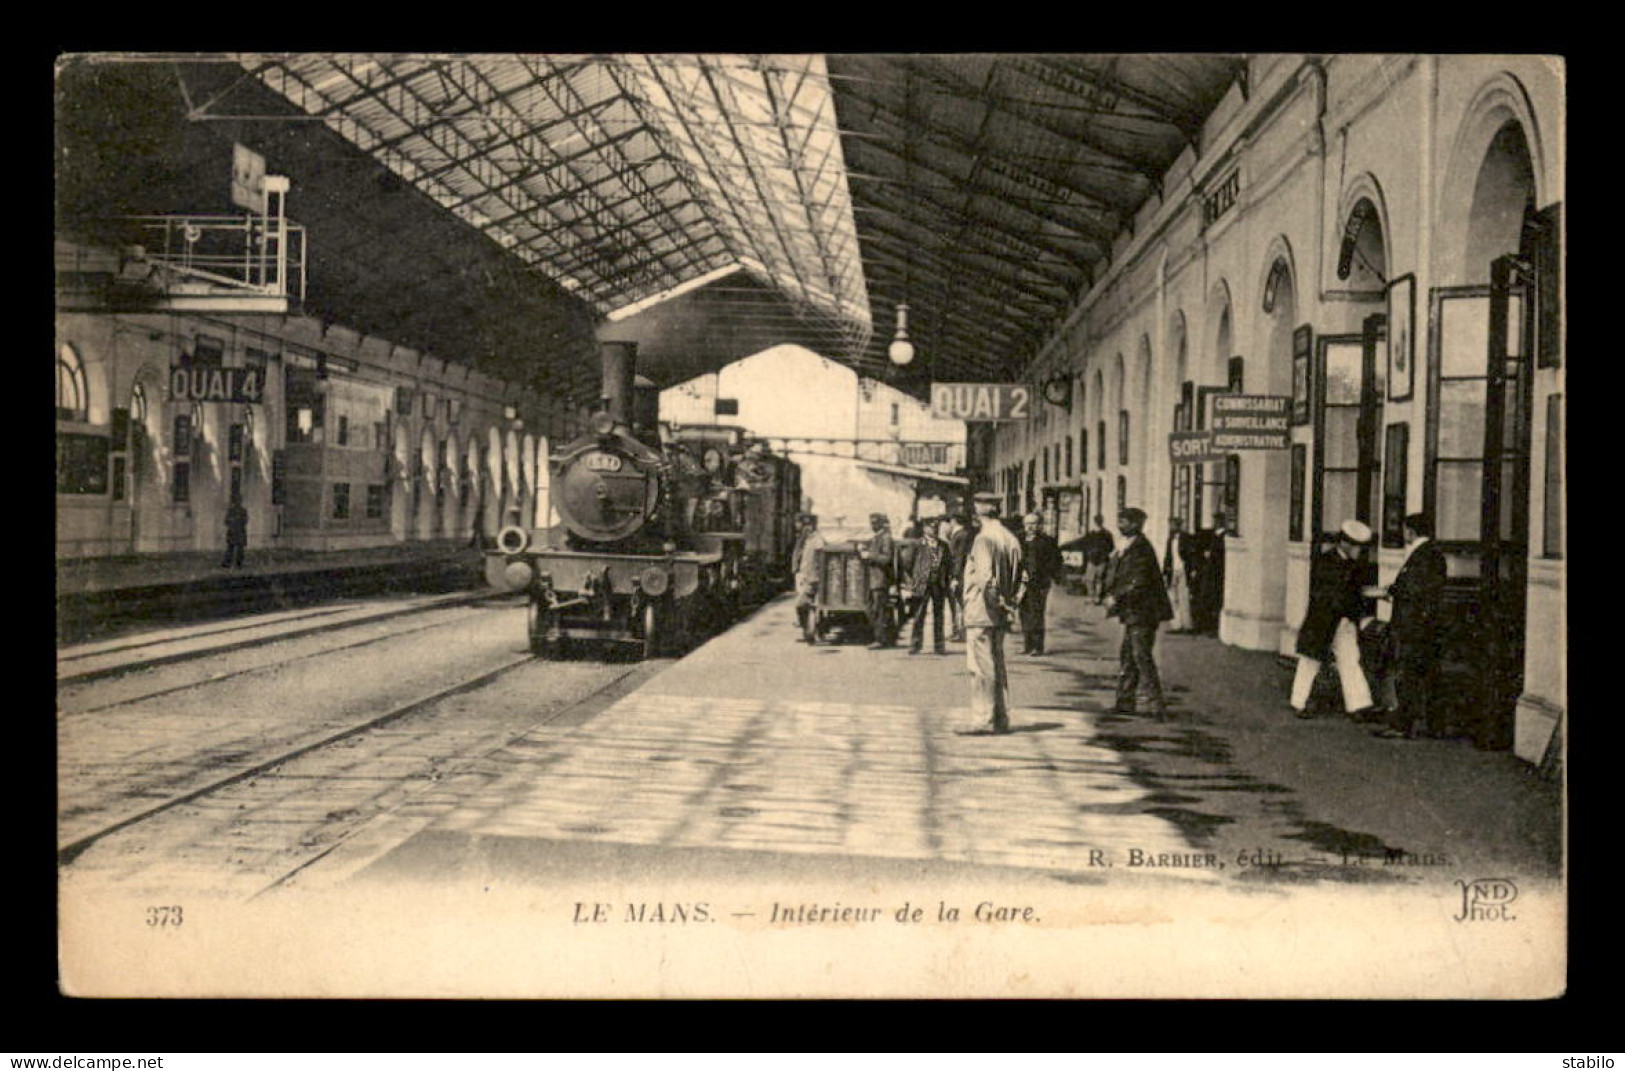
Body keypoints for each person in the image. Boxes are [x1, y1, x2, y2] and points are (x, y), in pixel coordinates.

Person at [1290, 520, 1381, 720]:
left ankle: (1358, 705)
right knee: (1310, 662)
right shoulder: (1325, 561)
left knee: (1349, 659)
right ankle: (1300, 702)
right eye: (1357, 546)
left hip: (1342, 621)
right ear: (1345, 544)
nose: (1359, 551)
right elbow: (1331, 594)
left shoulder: (1351, 564)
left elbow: (1352, 593)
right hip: (1323, 619)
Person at [1370, 513, 1449, 739]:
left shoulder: (1422, 555)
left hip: (1415, 627)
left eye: (1406, 529)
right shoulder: (1432, 554)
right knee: (1430, 676)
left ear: (1411, 531)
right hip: (1428, 626)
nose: (1404, 533)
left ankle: (1404, 725)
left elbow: (1414, 589)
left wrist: (1392, 590)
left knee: (1409, 676)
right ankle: (1435, 727)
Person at [962, 497, 1023, 733]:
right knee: (997, 665)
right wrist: (1009, 606)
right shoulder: (1010, 538)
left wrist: (994, 603)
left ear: (979, 512)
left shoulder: (983, 539)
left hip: (982, 610)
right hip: (1000, 612)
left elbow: (986, 580)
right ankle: (1000, 718)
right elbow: (1020, 577)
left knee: (980, 667)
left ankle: (982, 719)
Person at [1105, 507, 1174, 718]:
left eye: (1124, 521)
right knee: (1129, 655)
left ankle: (1156, 705)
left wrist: (1117, 597)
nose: (1119, 525)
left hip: (1144, 611)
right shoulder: (1129, 545)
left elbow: (1139, 582)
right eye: (1119, 520)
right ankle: (1125, 702)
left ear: (1136, 524)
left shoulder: (1141, 548)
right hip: (1135, 612)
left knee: (1140, 656)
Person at [1017, 512, 1063, 655]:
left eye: (1033, 524)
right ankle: (1027, 644)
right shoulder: (1018, 540)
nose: (1030, 527)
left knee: (1036, 613)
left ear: (1040, 525)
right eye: (1027, 524)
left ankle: (1037, 646)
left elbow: (1056, 560)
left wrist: (1049, 575)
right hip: (1021, 583)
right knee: (1023, 612)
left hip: (1039, 582)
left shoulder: (1047, 541)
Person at [905, 516, 951, 655]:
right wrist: (915, 579)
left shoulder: (944, 545)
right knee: (919, 615)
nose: (934, 529)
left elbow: (948, 564)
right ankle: (915, 644)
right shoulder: (917, 544)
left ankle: (939, 646)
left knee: (939, 615)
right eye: (931, 527)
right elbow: (908, 563)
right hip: (922, 584)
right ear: (925, 528)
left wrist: (946, 579)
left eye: (936, 527)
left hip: (938, 584)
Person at [861, 512, 897, 649]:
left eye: (875, 522)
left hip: (881, 580)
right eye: (871, 522)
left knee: (878, 610)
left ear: (881, 523)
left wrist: (868, 555)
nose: (872, 525)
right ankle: (883, 637)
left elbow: (886, 559)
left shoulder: (886, 538)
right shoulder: (877, 538)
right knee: (872, 609)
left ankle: (881, 639)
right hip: (875, 580)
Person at [792, 513, 826, 642]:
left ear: (812, 526)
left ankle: (808, 630)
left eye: (808, 525)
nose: (806, 528)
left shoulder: (817, 540)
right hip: (804, 576)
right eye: (805, 525)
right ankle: (808, 632)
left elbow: (821, 555)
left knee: (800, 605)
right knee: (805, 606)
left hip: (812, 578)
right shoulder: (806, 539)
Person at [947, 509, 977, 642]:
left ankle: (961, 632)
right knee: (957, 604)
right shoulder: (960, 534)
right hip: (958, 573)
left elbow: (959, 558)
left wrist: (955, 576)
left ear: (954, 521)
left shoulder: (961, 535)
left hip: (959, 575)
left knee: (959, 604)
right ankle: (958, 631)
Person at [1162, 517, 1196, 633]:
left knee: (1184, 597)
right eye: (1170, 525)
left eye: (1173, 525)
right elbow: (1167, 556)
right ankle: (1177, 625)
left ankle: (1187, 625)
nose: (1171, 527)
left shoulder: (1186, 538)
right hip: (1172, 571)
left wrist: (1192, 570)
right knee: (1173, 598)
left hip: (1183, 570)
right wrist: (1165, 572)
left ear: (1178, 526)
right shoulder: (1170, 539)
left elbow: (1192, 555)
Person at [1081, 515, 1115, 605]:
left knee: (1097, 579)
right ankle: (1093, 597)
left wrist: (1103, 553)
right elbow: (1086, 545)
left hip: (1099, 559)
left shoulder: (1105, 534)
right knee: (1091, 580)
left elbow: (1111, 547)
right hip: (1095, 559)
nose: (1098, 522)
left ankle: (1095, 597)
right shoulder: (1094, 534)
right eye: (1097, 521)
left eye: (1099, 521)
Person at [222, 498, 249, 569]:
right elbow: (226, 521)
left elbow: (245, 520)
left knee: (240, 549)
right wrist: (233, 522)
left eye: (239, 501)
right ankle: (227, 563)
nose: (238, 503)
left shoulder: (243, 511)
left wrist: (238, 521)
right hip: (233, 532)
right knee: (230, 548)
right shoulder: (231, 511)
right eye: (236, 501)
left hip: (240, 531)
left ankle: (239, 563)